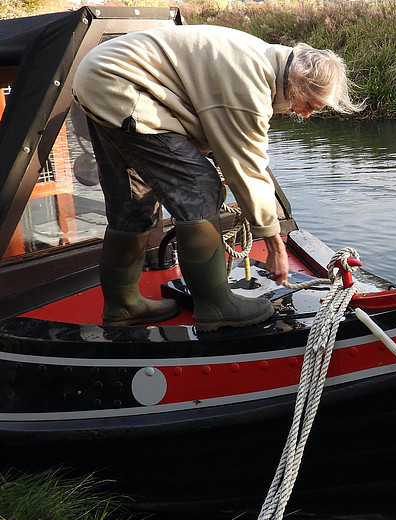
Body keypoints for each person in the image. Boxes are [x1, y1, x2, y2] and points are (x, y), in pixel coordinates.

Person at [72, 25, 363, 332]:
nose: (305, 115)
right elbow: (248, 168)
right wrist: (274, 243)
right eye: (310, 106)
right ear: (298, 84)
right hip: (121, 85)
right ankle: (215, 306)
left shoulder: (262, 61)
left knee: (133, 199)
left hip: (100, 79)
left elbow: (212, 126)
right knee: (201, 187)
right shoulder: (250, 83)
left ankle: (122, 305)